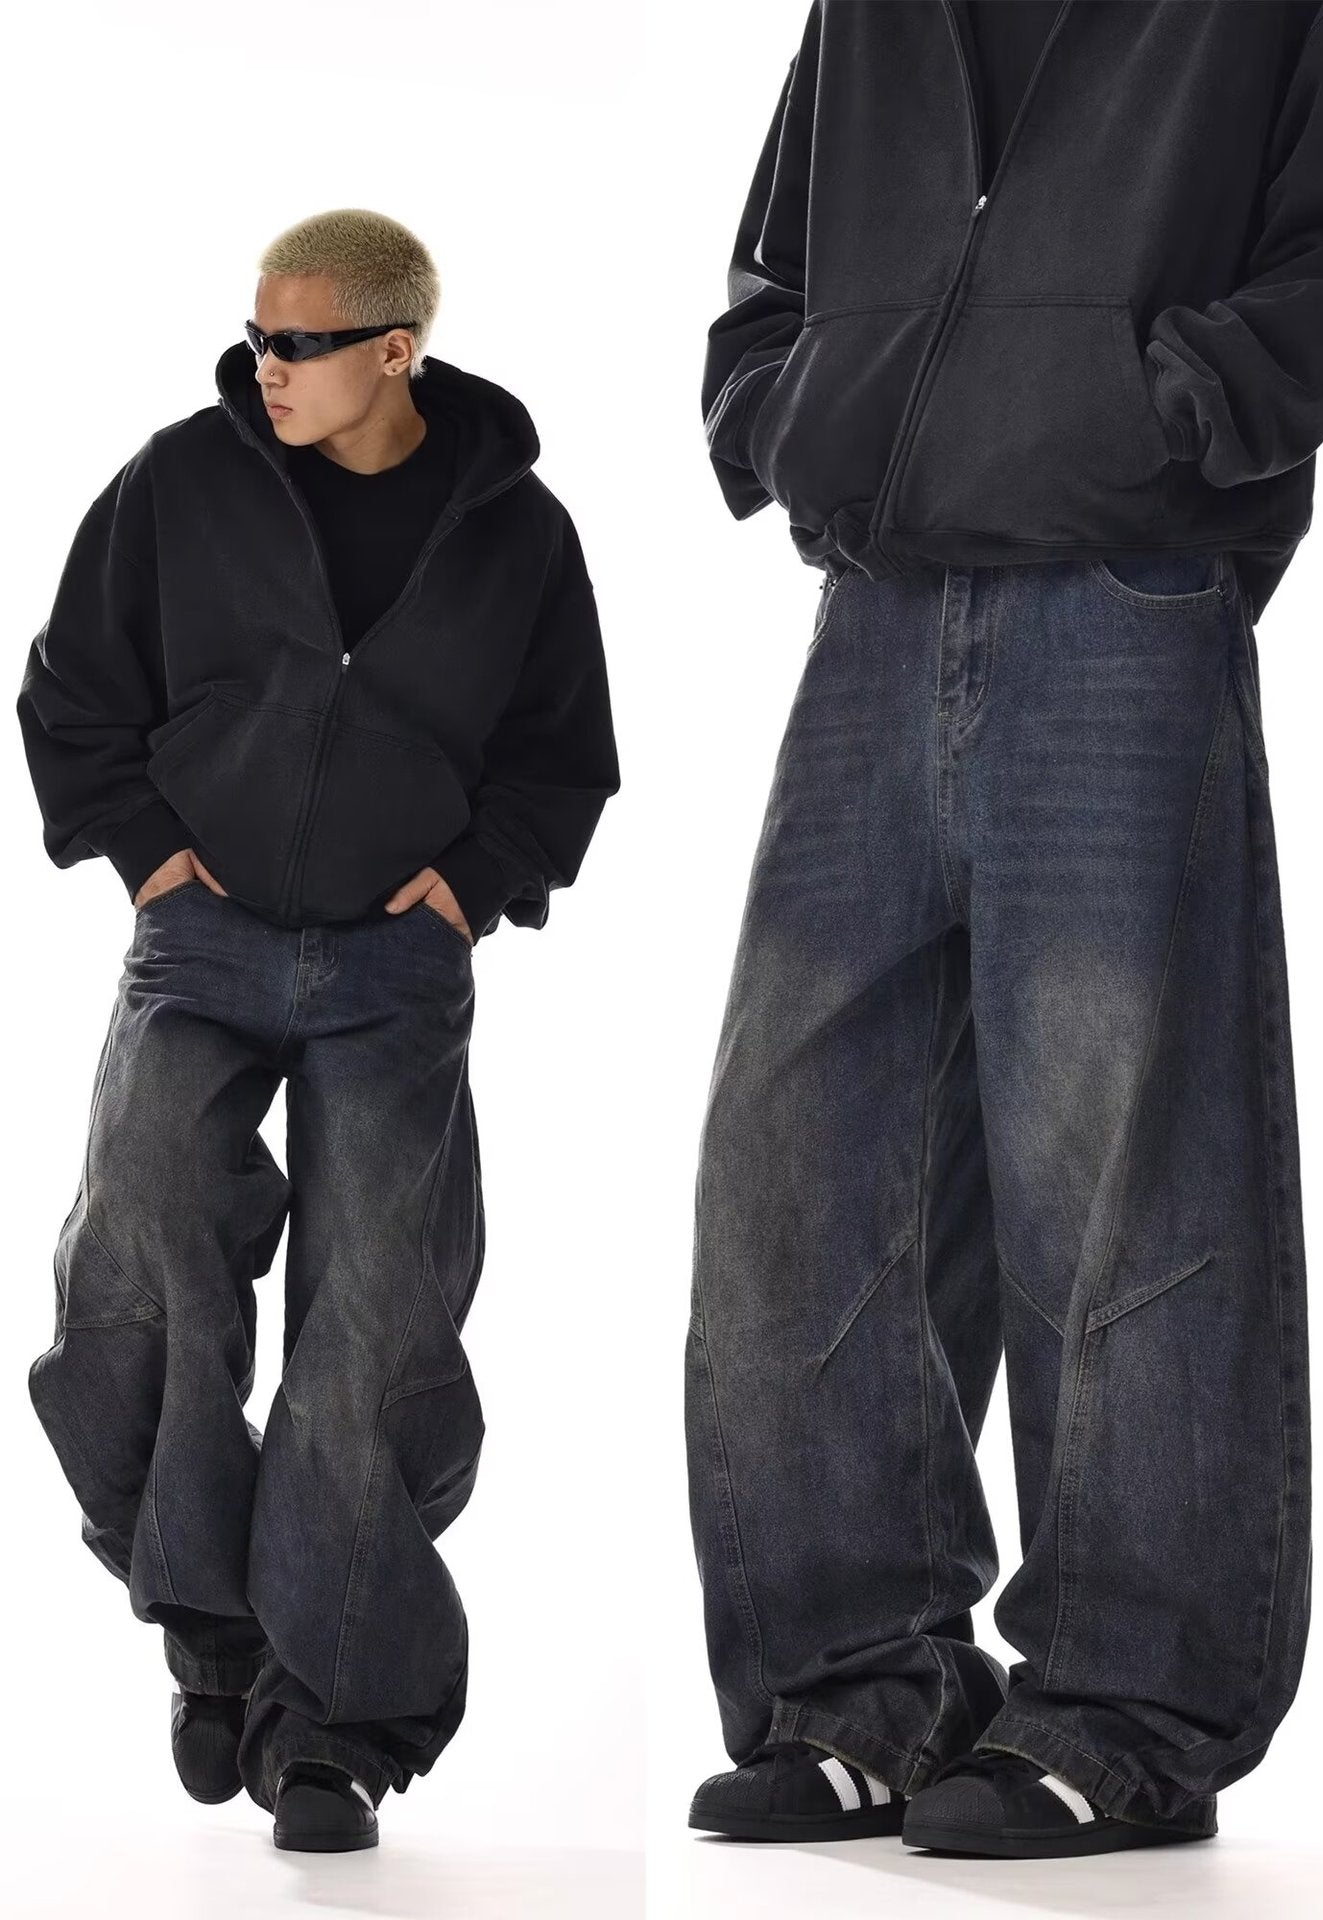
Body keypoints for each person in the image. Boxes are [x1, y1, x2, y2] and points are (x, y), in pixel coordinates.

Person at [685, 0, 1323, 1859]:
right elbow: (769, 276)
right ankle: (862, 1688)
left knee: (1122, 1173)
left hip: (1123, 597)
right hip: (877, 609)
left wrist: (1162, 415)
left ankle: (1126, 1710)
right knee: (797, 1160)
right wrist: (789, 420)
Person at [17, 207, 619, 1851]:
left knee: (373, 1329)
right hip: (200, 944)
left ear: (393, 351)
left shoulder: (517, 533)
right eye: (256, 338)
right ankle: (214, 1622)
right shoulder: (179, 482)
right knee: (134, 1259)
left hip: (392, 973)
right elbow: (72, 690)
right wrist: (150, 859)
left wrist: (469, 888)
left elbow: (565, 756)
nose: (265, 368)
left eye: (298, 344)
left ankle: (334, 1723)